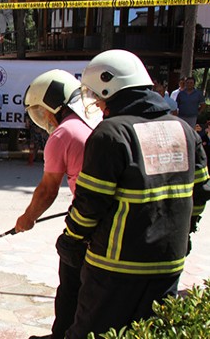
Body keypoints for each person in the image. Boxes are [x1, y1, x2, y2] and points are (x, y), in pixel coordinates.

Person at [64, 49, 210, 338]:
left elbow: (90, 203)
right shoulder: (184, 131)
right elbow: (201, 193)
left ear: (111, 86)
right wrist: (187, 232)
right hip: (169, 263)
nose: (99, 105)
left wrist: (71, 238)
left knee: (91, 333)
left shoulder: (112, 133)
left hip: (115, 267)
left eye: (98, 96)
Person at [15, 70, 102, 339]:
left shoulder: (63, 134)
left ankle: (62, 334)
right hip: (105, 212)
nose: (44, 120)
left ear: (53, 103)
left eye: (42, 112)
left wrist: (27, 218)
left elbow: (47, 190)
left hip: (88, 221)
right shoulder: (94, 119)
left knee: (71, 282)